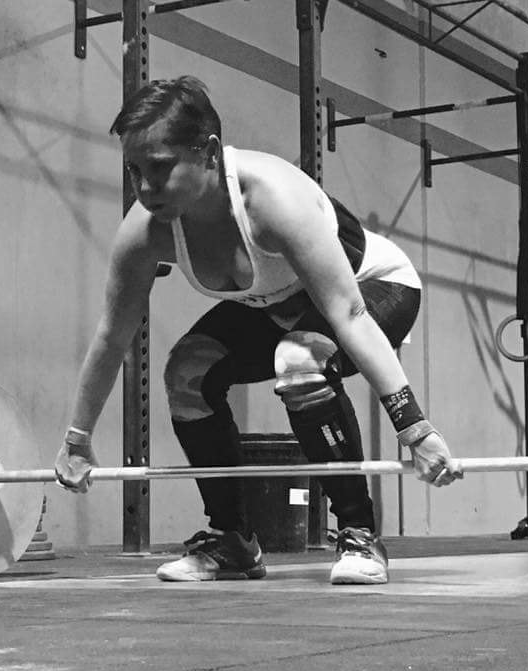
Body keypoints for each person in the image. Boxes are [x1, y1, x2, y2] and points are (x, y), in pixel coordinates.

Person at [55, 75, 463, 585]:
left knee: (300, 360)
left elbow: (349, 314)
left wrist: (414, 428)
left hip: (374, 288)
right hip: (280, 306)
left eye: (159, 169)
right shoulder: (146, 231)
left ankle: (359, 535)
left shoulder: (272, 198)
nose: (144, 188)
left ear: (207, 152)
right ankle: (232, 541)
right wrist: (77, 438)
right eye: (134, 171)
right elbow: (112, 336)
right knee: (188, 372)